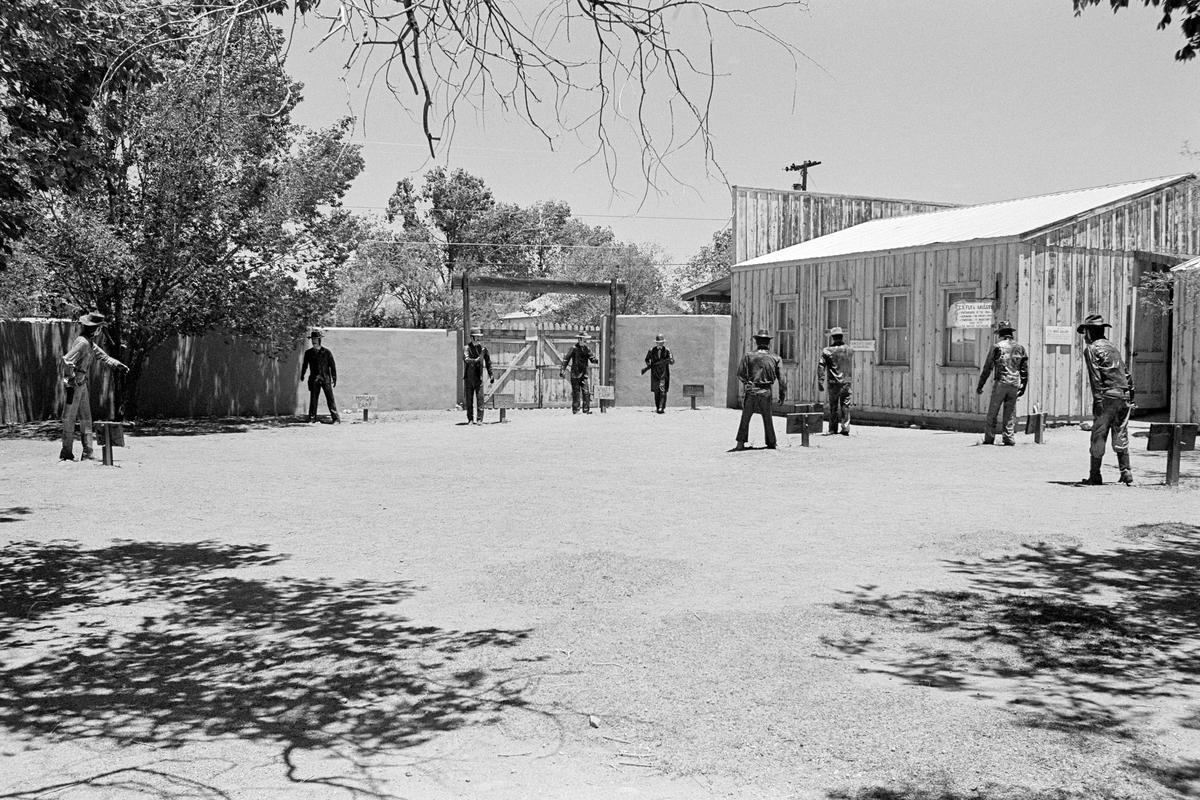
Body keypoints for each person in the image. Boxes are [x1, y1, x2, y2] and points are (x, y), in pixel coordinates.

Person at [59, 311, 129, 461]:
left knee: (85, 418)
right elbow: (66, 360)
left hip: (82, 384)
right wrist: (71, 379)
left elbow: (102, 356)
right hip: (76, 384)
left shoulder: (89, 343)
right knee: (69, 418)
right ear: (95, 329)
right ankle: (66, 453)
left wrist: (117, 365)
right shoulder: (83, 343)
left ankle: (88, 452)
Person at [1077, 314, 1134, 485]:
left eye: (1085, 332)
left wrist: (1098, 401)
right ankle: (1126, 472)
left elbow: (1095, 377)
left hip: (1107, 395)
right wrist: (1131, 394)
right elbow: (1126, 373)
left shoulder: (1091, 349)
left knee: (1099, 434)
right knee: (1120, 431)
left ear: (1089, 332)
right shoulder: (1113, 347)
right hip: (1123, 394)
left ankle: (1095, 475)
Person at [975, 319, 1028, 446]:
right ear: (1011, 333)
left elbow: (988, 367)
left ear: (1000, 333)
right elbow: (1024, 369)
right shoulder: (1020, 348)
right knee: (1009, 412)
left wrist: (980, 385)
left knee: (993, 412)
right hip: (1014, 383)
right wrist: (1023, 386)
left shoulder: (997, 347)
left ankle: (989, 438)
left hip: (1001, 382)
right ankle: (1009, 438)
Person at [734, 328, 786, 450]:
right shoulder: (775, 358)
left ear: (756, 341)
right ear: (768, 342)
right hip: (766, 391)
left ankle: (740, 443)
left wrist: (748, 383)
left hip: (751, 389)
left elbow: (740, 374)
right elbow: (782, 380)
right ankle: (771, 442)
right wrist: (782, 395)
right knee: (768, 418)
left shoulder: (748, 356)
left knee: (745, 417)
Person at [817, 326, 853, 436]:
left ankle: (833, 428)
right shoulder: (849, 349)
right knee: (845, 405)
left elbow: (821, 366)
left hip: (833, 382)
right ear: (841, 336)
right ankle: (845, 428)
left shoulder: (827, 351)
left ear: (832, 337)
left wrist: (820, 380)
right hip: (847, 382)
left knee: (833, 406)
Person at [300, 329, 339, 423]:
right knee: (313, 399)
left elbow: (332, 366)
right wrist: (302, 375)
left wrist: (334, 378)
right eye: (312, 338)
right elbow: (305, 365)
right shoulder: (308, 353)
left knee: (330, 399)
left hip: (326, 378)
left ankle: (336, 418)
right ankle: (312, 418)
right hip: (314, 379)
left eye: (316, 338)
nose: (314, 340)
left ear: (319, 340)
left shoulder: (327, 352)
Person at [560, 332, 599, 414]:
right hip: (575, 374)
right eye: (584, 340)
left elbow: (592, 359)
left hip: (584, 374)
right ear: (579, 339)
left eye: (586, 340)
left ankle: (586, 410)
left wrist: (596, 360)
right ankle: (576, 410)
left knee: (586, 392)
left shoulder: (587, 349)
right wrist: (562, 370)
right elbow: (566, 359)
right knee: (576, 393)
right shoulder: (573, 348)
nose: (585, 342)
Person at [463, 326, 494, 425]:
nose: (479, 339)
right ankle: (470, 419)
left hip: (479, 378)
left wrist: (491, 374)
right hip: (469, 378)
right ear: (472, 338)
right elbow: (466, 359)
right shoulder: (466, 348)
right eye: (477, 337)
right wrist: (475, 360)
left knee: (480, 400)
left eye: (480, 337)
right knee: (469, 400)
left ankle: (480, 419)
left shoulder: (483, 349)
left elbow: (488, 362)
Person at [643, 334, 675, 413]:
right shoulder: (651, 350)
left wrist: (670, 360)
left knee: (662, 390)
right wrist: (649, 365)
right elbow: (647, 359)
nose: (660, 343)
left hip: (663, 373)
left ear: (663, 342)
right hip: (655, 373)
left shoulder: (667, 350)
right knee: (656, 391)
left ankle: (661, 407)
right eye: (658, 342)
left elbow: (672, 361)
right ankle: (658, 406)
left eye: (661, 342)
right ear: (656, 343)